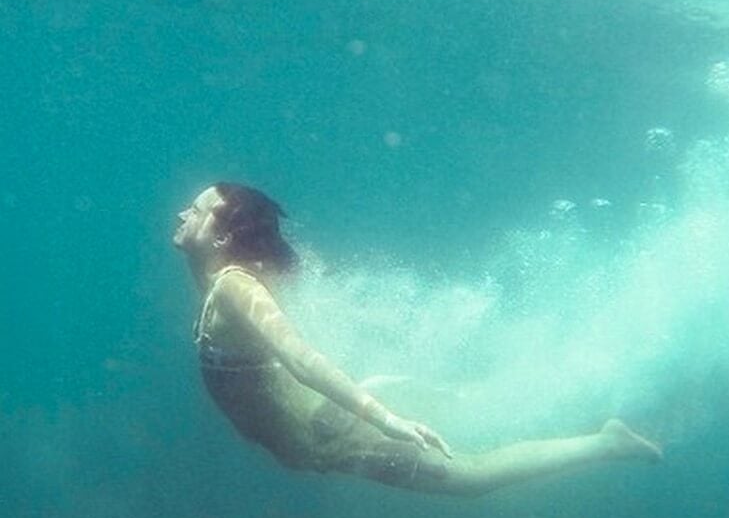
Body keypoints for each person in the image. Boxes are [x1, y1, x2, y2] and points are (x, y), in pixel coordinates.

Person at [175, 183, 662, 495]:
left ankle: (605, 443)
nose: (183, 214)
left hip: (328, 436)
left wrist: (386, 421)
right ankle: (405, 390)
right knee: (449, 427)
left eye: (196, 211)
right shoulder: (215, 274)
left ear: (221, 239)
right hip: (315, 427)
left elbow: (301, 360)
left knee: (471, 478)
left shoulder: (234, 286)